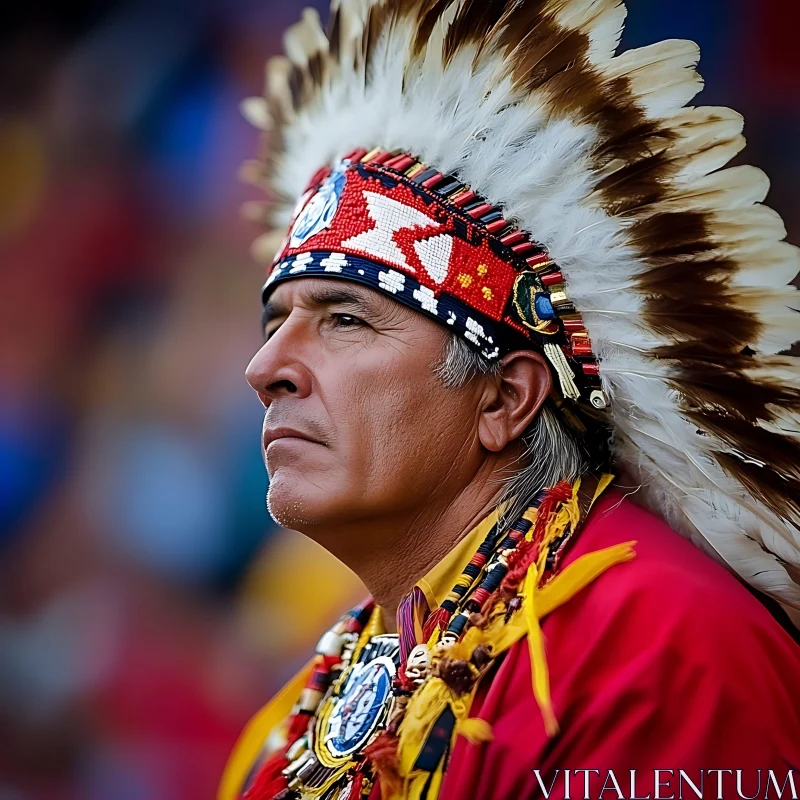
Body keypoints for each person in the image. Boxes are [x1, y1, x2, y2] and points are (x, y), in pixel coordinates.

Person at [219, 1, 800, 798]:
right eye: (275, 322)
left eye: (345, 320)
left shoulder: (658, 650)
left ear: (505, 399)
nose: (265, 367)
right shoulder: (307, 705)